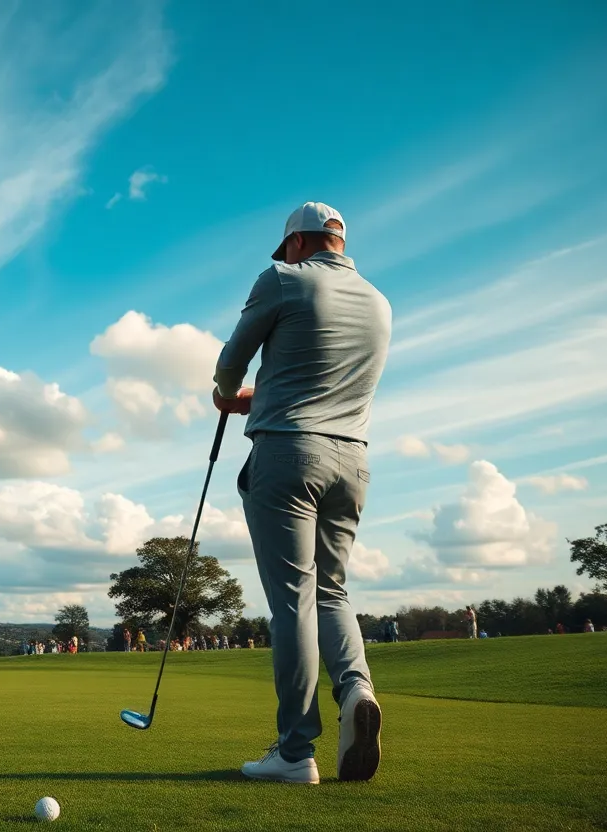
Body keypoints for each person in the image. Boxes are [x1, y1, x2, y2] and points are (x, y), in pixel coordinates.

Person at [213, 202, 391, 784]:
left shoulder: (281, 280)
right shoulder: (378, 301)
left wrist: (226, 394)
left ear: (297, 244)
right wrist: (258, 396)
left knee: (294, 601)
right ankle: (358, 690)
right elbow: (315, 374)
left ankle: (295, 752)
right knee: (333, 592)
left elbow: (230, 363)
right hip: (354, 461)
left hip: (289, 454)